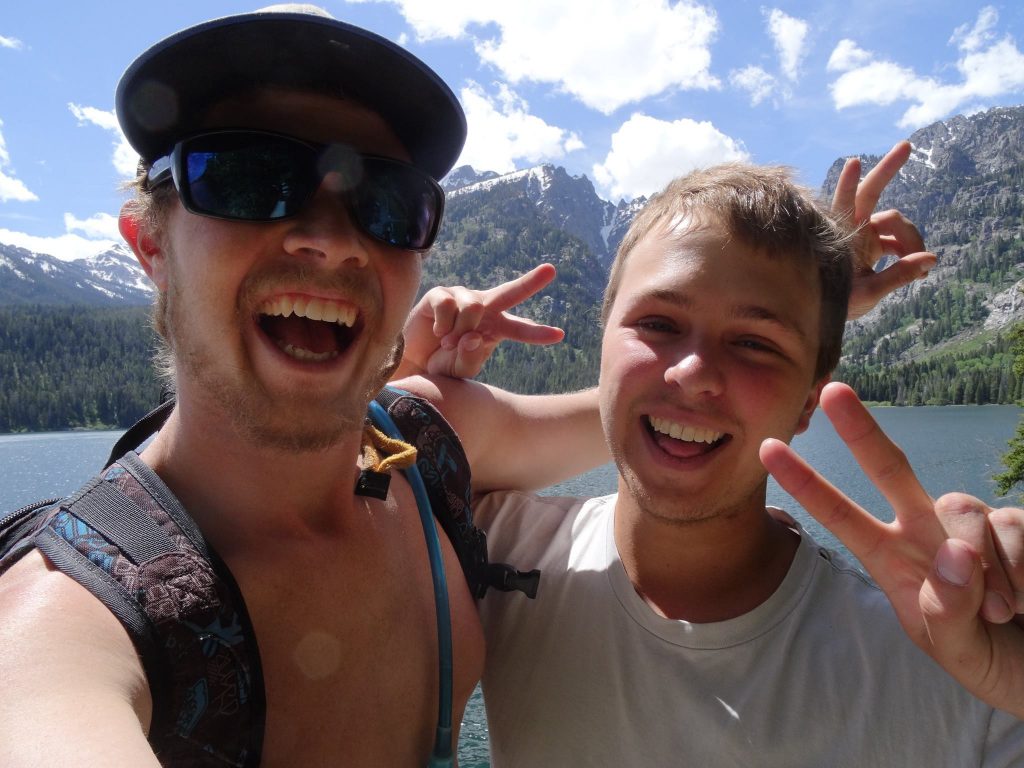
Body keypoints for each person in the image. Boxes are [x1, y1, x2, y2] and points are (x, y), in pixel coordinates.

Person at [0, 6, 594, 767]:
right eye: (251, 178)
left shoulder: (420, 444)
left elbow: (641, 414)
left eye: (386, 203)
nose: (334, 238)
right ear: (150, 243)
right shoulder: (75, 616)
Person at [397, 160, 1024, 765]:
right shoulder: (495, 544)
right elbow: (358, 448)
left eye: (755, 344)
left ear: (810, 401)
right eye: (658, 323)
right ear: (602, 343)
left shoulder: (942, 654)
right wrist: (396, 369)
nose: (693, 374)